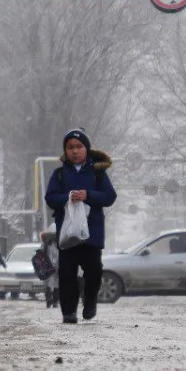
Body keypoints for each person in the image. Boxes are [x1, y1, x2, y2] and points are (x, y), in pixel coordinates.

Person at [44, 129, 117, 324]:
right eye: (70, 148)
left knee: (94, 271)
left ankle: (90, 302)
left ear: (86, 149)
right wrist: (67, 198)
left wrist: (88, 195)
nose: (75, 151)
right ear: (65, 151)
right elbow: (50, 198)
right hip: (67, 234)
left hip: (92, 234)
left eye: (79, 147)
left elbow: (110, 196)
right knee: (66, 274)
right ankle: (68, 312)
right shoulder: (59, 174)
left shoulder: (97, 172)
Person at [39, 229, 60, 309]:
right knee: (49, 284)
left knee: (55, 285)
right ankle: (49, 300)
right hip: (49, 267)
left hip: (56, 267)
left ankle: (54, 301)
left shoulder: (58, 245)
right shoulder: (45, 246)